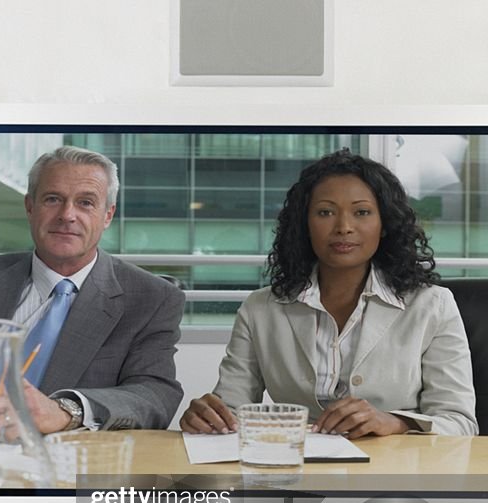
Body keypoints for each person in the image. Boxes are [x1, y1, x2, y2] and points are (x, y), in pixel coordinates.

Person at [180, 148, 477, 438]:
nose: (344, 227)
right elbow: (232, 410)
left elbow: (459, 423)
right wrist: (209, 418)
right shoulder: (261, 308)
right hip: (294, 468)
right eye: (325, 212)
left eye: (362, 212)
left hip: (394, 476)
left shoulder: (432, 305)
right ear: (305, 224)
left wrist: (394, 423)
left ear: (384, 224)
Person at [0, 146, 185, 433]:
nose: (67, 215)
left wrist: (66, 411)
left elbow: (155, 395)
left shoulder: (152, 298)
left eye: (86, 202)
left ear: (108, 215)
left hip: (62, 464)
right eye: (53, 199)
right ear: (29, 207)